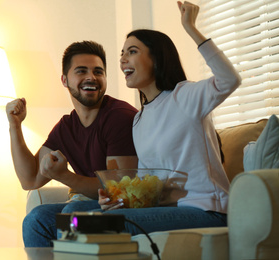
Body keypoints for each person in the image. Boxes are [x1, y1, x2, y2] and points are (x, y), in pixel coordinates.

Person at [98, 1, 242, 236]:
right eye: (122, 53)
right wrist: (119, 200)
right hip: (167, 211)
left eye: (132, 51)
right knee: (70, 218)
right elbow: (148, 185)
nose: (123, 59)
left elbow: (230, 80)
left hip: (208, 210)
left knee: (112, 223)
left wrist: (192, 29)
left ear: (157, 58)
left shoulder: (184, 95)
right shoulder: (139, 120)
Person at [6, 41, 138, 247]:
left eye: (98, 72)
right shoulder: (67, 127)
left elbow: (117, 191)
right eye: (81, 71)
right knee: (36, 219)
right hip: (91, 206)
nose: (91, 77)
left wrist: (64, 176)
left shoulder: (119, 117)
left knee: (72, 215)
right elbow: (29, 180)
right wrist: (15, 126)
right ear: (65, 80)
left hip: (124, 209)